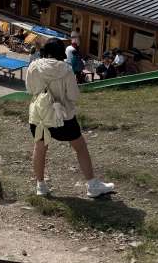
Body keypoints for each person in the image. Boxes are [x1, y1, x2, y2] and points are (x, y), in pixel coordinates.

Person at [26, 38, 116, 199]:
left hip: (39, 115)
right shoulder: (65, 69)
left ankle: (40, 185)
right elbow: (73, 96)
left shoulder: (34, 66)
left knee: (40, 148)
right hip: (63, 117)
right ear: (61, 52)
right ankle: (92, 185)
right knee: (80, 147)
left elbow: (29, 89)